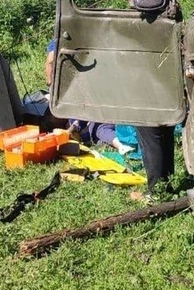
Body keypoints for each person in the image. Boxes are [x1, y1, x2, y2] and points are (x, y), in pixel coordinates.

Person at [46, 39, 172, 190]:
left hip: (104, 112)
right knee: (101, 130)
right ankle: (162, 185)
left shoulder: (83, 65)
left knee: (104, 129)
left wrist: (76, 126)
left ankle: (158, 188)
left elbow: (90, 105)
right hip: (97, 116)